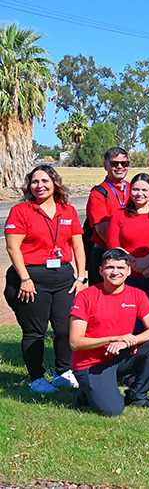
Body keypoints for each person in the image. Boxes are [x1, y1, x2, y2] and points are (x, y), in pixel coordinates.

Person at [4, 165, 88, 393]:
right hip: (32, 278)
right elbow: (13, 247)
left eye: (45, 181)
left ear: (55, 183)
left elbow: (78, 245)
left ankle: (62, 372)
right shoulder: (21, 211)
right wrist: (25, 279)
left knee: (65, 329)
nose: (39, 186)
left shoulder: (67, 211)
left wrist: (81, 277)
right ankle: (36, 379)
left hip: (62, 276)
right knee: (35, 331)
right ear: (29, 186)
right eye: (34, 182)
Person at [68, 249, 149, 415]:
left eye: (120, 268)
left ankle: (137, 395)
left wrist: (129, 340)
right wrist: (113, 338)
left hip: (119, 358)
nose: (115, 272)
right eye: (110, 267)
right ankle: (86, 391)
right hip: (91, 364)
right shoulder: (86, 296)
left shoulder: (137, 295)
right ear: (101, 271)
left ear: (128, 271)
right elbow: (75, 343)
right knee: (113, 410)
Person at [104, 173, 149, 312]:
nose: (139, 194)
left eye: (144, 190)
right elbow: (113, 244)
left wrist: (147, 260)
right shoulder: (119, 215)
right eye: (135, 190)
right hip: (128, 278)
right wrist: (138, 265)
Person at [84, 147, 130, 285]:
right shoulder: (99, 193)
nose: (120, 167)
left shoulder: (133, 189)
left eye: (124, 163)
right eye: (114, 164)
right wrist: (124, 253)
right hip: (106, 253)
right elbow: (102, 229)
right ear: (106, 166)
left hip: (129, 253)